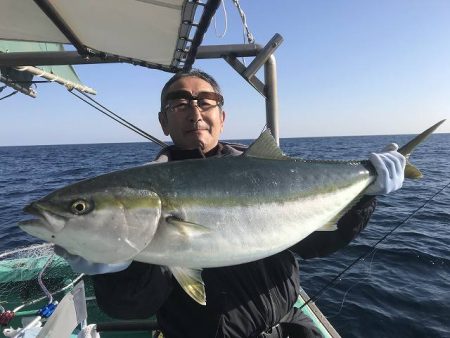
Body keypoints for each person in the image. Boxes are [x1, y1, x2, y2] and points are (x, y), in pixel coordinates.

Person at [56, 69, 406, 338]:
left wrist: (365, 195)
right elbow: (131, 305)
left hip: (288, 327)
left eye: (205, 101)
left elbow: (318, 243)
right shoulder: (144, 186)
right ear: (163, 121)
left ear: (222, 117)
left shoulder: (268, 171)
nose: (194, 111)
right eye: (179, 103)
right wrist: (116, 264)